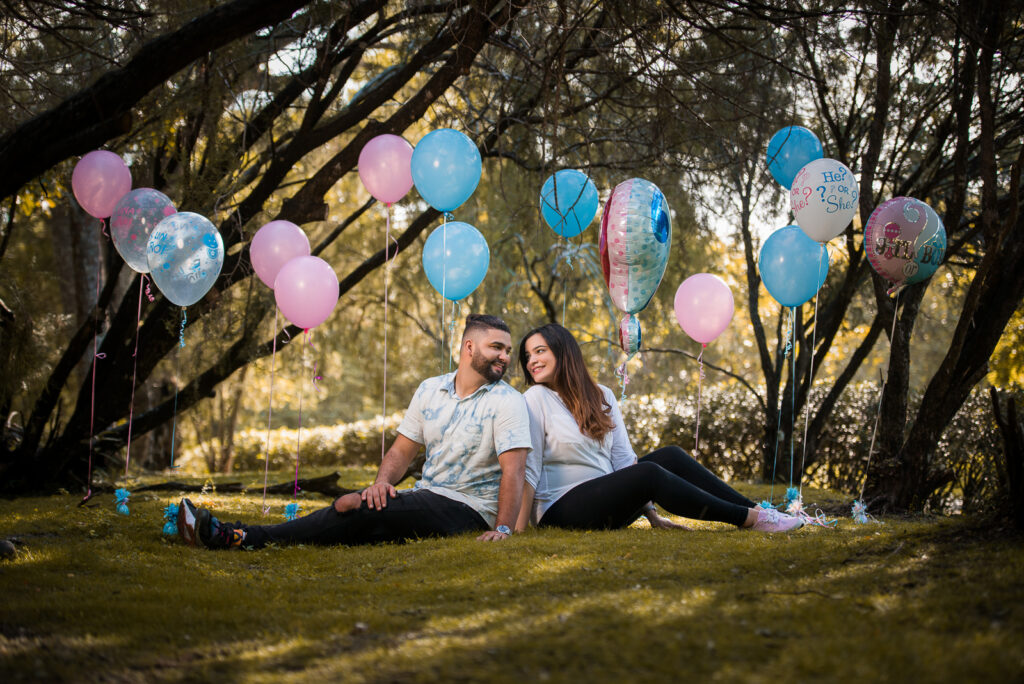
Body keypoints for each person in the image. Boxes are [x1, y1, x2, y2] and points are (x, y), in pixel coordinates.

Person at [178, 314, 533, 550]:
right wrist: (381, 485)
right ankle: (237, 535)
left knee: (354, 508)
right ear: (469, 348)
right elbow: (400, 452)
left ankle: (235, 535)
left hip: (469, 510)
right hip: (430, 495)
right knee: (357, 517)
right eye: (496, 347)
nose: (504, 356)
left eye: (506, 349)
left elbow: (513, 470)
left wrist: (501, 529)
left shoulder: (508, 402)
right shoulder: (430, 389)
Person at [515, 323, 803, 534]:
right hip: (561, 508)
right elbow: (530, 468)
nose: (532, 362)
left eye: (540, 351)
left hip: (607, 503)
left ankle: (760, 511)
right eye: (528, 356)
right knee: (649, 472)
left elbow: (623, 461)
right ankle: (748, 520)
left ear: (564, 353)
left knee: (670, 456)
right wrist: (515, 529)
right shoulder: (535, 398)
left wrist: (652, 515)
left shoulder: (601, 395)